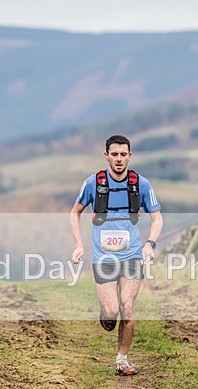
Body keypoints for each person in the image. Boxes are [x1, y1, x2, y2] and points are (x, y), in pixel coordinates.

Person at [70, 134, 163, 376]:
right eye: (114, 154)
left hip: (132, 255)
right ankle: (106, 314)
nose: (119, 159)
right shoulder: (93, 183)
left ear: (129, 156)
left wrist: (150, 244)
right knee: (112, 312)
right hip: (104, 257)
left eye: (123, 155)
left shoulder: (141, 184)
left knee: (128, 306)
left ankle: (122, 359)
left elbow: (157, 217)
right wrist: (79, 244)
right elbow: (75, 212)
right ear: (107, 156)